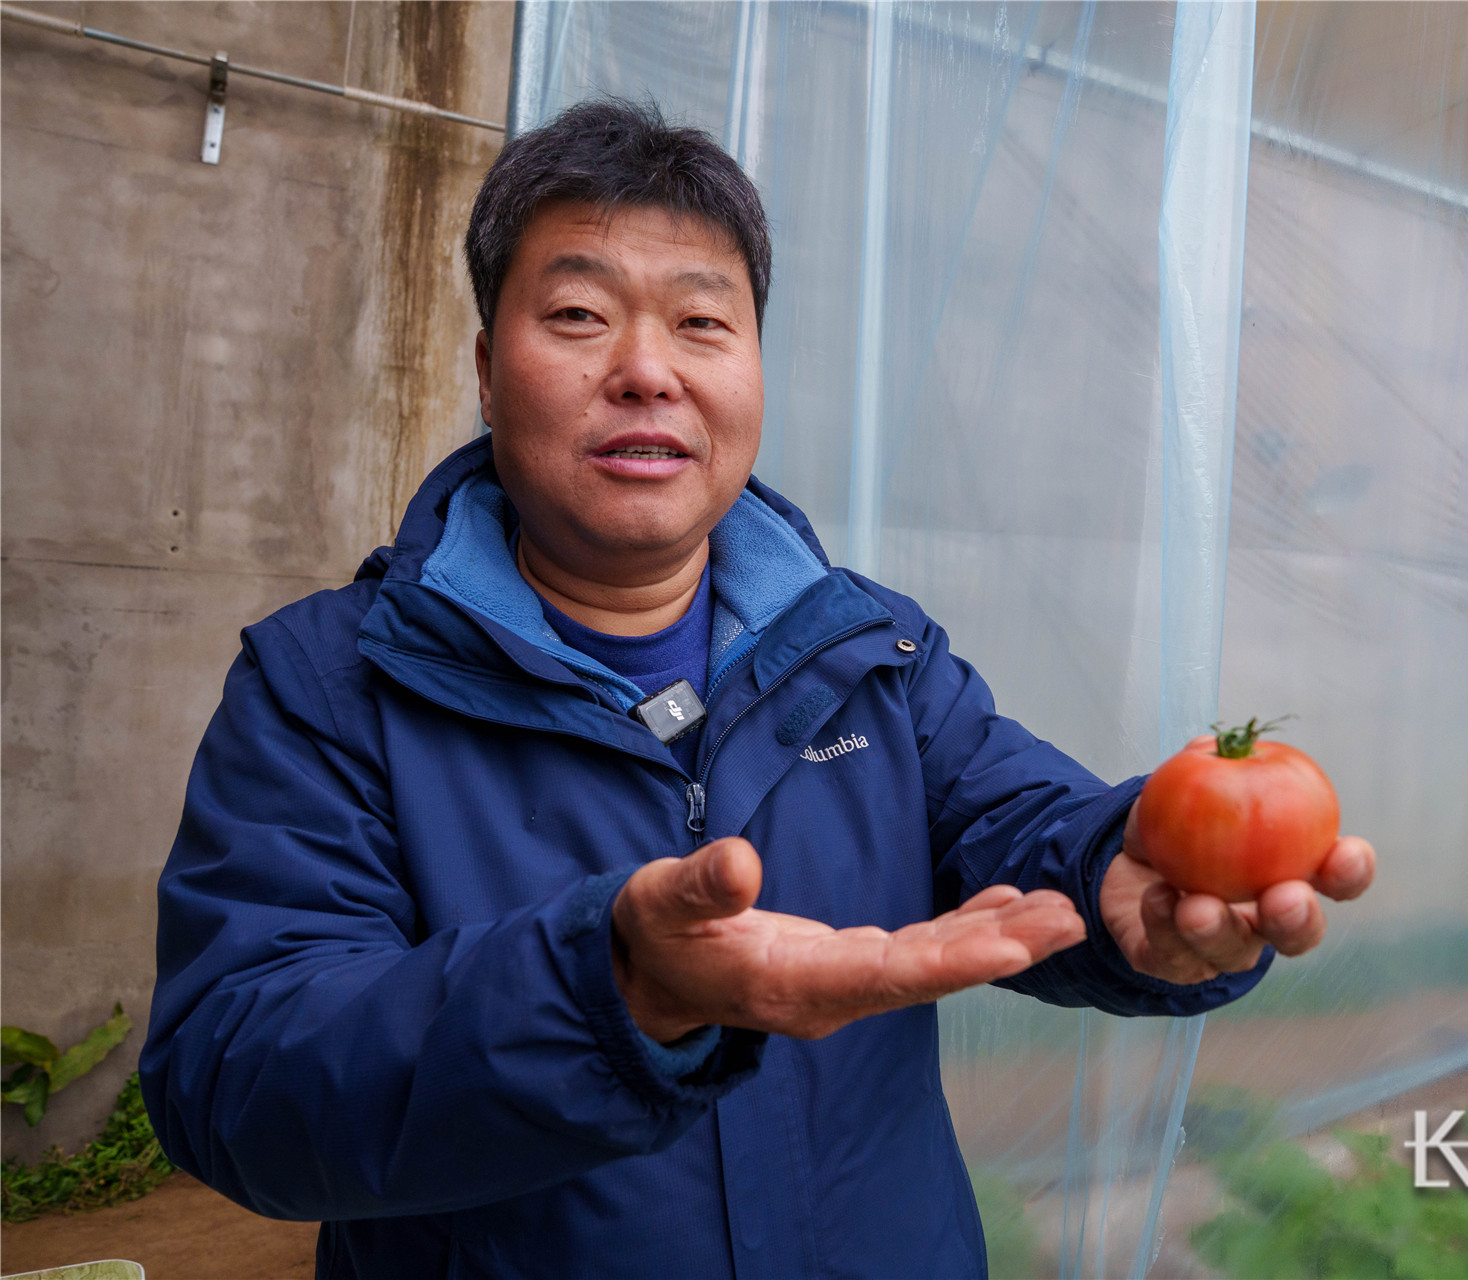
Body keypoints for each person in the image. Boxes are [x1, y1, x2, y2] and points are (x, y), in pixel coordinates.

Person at [140, 98, 1375, 1278]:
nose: (645, 370)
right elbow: (239, 1075)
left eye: (701, 322)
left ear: (755, 370)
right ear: (484, 363)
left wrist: (1124, 877)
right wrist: (610, 988)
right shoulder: (327, 687)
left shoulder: (869, 653)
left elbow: (1022, 824)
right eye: (577, 315)